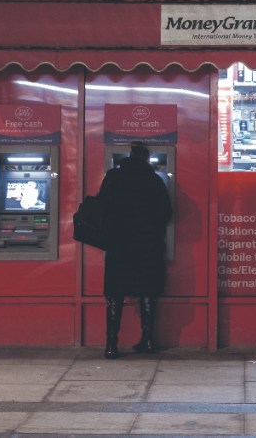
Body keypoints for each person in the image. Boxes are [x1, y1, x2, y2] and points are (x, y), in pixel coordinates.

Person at [96, 141, 173, 358]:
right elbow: (166, 213)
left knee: (114, 295)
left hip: (119, 244)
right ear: (147, 159)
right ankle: (147, 341)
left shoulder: (113, 177)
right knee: (147, 292)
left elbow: (101, 208)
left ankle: (111, 345)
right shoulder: (154, 180)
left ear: (128, 157)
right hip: (148, 245)